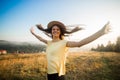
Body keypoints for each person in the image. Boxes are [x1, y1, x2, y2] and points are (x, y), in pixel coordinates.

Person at [30, 21, 111, 80]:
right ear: (51, 31)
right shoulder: (49, 42)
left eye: (57, 29)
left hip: (58, 75)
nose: (55, 30)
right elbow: (41, 39)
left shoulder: (64, 43)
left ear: (60, 32)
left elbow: (80, 43)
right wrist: (33, 33)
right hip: (49, 74)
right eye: (53, 29)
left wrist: (101, 32)